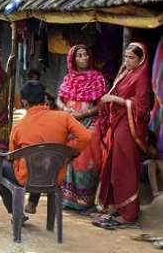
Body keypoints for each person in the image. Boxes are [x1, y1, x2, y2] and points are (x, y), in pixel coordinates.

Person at [0, 81, 90, 222]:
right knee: (43, 161)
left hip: (27, 178)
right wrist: (70, 151)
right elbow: (86, 136)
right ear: (45, 99)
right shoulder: (64, 117)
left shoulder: (19, 127)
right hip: (55, 176)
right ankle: (32, 203)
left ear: (23, 101)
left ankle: (15, 212)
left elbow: (11, 156)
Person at [95, 43, 152, 228]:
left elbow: (142, 108)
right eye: (126, 57)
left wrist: (115, 99)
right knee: (114, 165)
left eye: (131, 58)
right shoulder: (126, 73)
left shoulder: (141, 77)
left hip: (129, 127)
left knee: (124, 167)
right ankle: (116, 206)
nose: (127, 61)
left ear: (140, 59)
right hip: (119, 124)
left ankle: (129, 213)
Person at [55, 45, 108, 212]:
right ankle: (67, 198)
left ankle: (85, 200)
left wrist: (85, 113)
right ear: (73, 59)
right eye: (80, 56)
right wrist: (65, 109)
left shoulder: (97, 78)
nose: (84, 58)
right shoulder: (68, 78)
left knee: (85, 158)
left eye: (86, 55)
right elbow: (59, 99)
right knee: (68, 156)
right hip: (69, 122)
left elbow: (102, 104)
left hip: (89, 122)